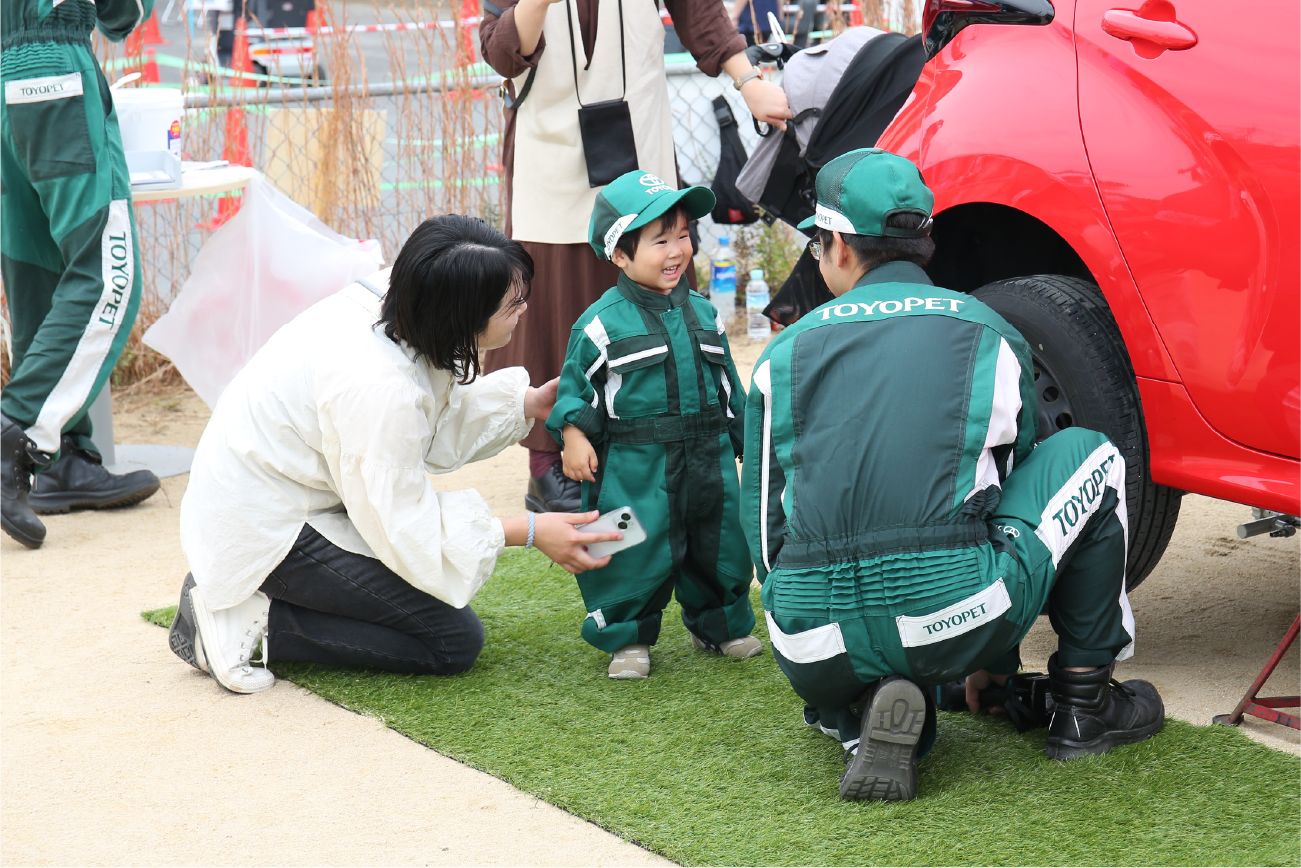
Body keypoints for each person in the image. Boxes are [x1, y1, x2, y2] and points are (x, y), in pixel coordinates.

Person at [742, 149, 1164, 801]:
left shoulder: (780, 354)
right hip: (954, 616)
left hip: (808, 642)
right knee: (1091, 455)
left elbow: (767, 541)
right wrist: (991, 660)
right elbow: (999, 498)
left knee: (828, 594)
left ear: (838, 248)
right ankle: (1085, 705)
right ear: (925, 243)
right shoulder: (987, 330)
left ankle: (854, 708)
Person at [166, 216, 622, 695]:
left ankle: (266, 598)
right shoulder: (377, 387)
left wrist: (528, 402)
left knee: (426, 608)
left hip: (284, 484)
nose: (524, 309)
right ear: (461, 313)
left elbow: (427, 420)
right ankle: (250, 619)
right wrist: (528, 531)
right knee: (450, 640)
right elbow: (402, 523)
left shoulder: (408, 295)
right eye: (513, 303)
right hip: (268, 523)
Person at [479, 0, 792, 516]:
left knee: (659, 289)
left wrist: (749, 82)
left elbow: (699, 12)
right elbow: (503, 53)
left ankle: (666, 444)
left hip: (638, 135)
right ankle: (548, 464)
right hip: (548, 147)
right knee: (553, 304)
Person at [547, 172, 760, 680]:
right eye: (660, 240)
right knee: (627, 547)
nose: (677, 250)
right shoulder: (600, 323)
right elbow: (576, 388)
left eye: (683, 235)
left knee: (720, 544)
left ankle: (721, 624)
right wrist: (573, 435)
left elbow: (728, 384)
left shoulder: (705, 313)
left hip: (708, 458)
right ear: (620, 254)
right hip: (634, 466)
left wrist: (745, 438)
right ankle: (626, 636)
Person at [0, 0, 162, 549]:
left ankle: (60, 457)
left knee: (37, 270)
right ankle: (16, 434)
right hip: (53, 67)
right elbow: (121, 14)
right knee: (107, 274)